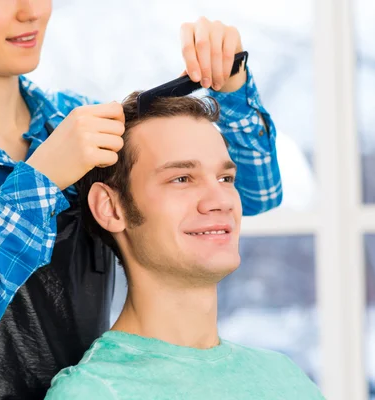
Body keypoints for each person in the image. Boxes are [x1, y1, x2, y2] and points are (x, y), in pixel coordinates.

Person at [0, 0, 282, 398]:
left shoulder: (79, 121)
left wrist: (232, 85)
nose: (31, 11)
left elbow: (255, 194)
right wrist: (42, 178)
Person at [45, 93, 323, 400]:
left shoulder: (285, 378)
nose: (220, 201)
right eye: (181, 178)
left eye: (225, 178)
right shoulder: (94, 392)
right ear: (111, 208)